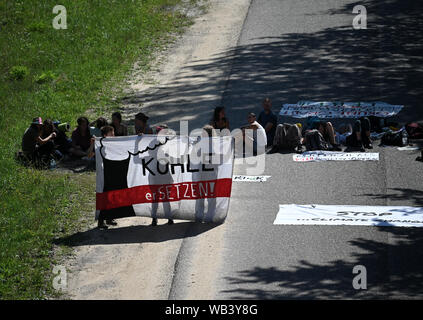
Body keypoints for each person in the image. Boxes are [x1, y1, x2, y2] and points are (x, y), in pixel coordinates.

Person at [97, 125, 118, 229]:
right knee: (104, 197)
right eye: (111, 133)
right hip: (103, 174)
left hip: (111, 173)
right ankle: (101, 221)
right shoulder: (100, 145)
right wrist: (93, 143)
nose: (114, 135)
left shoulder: (113, 144)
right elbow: (90, 155)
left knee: (111, 196)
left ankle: (109, 218)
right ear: (105, 135)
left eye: (114, 133)